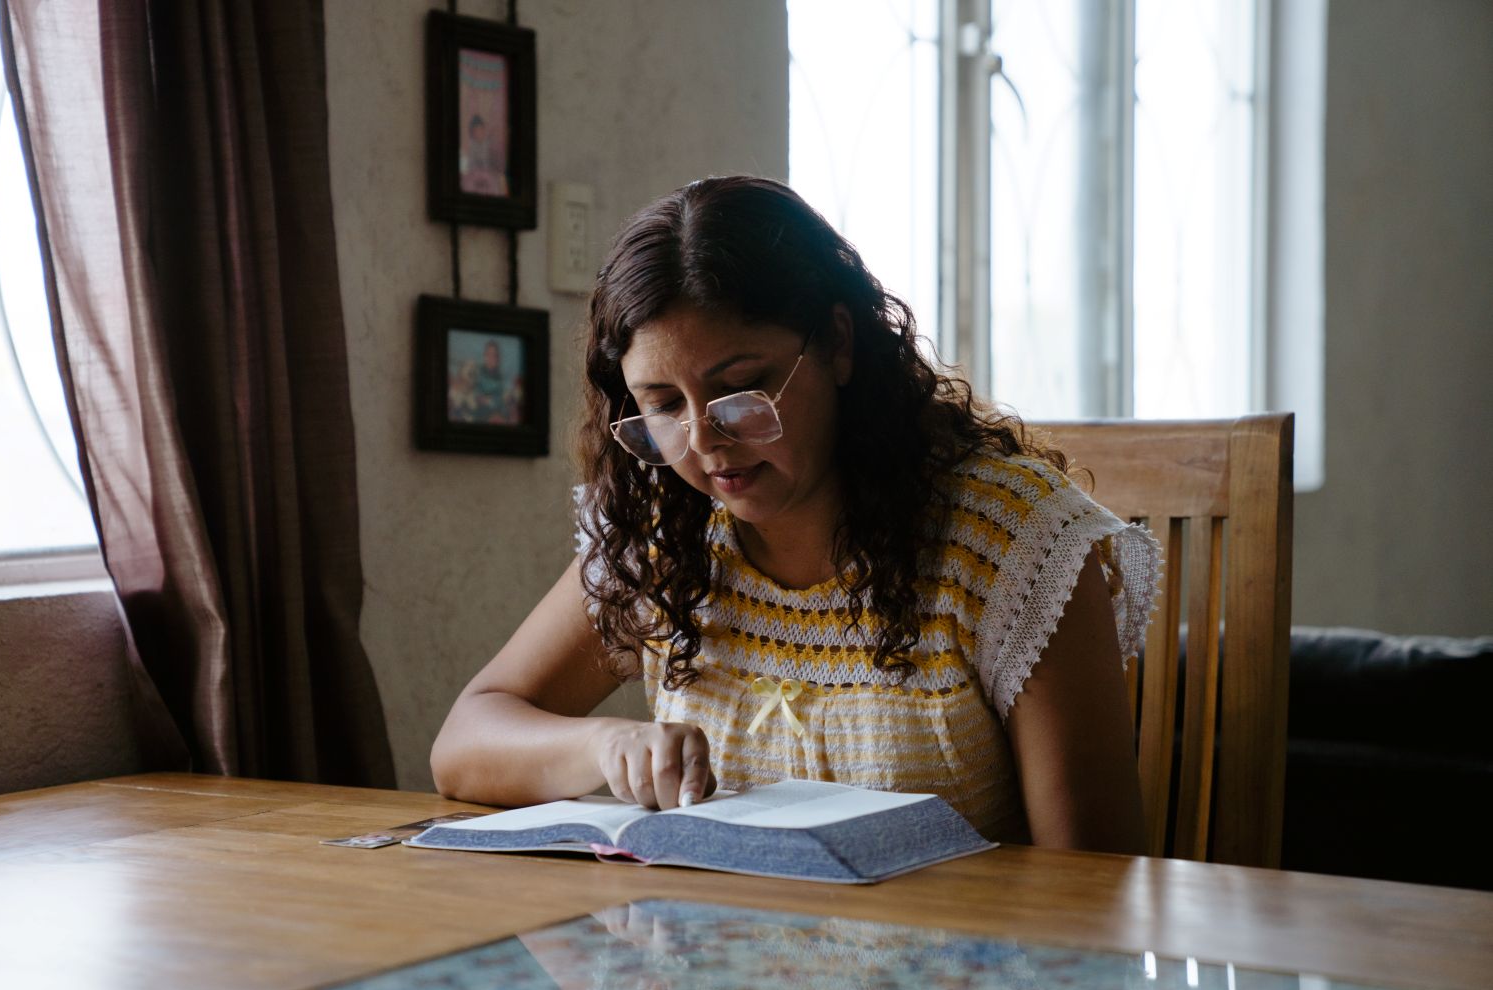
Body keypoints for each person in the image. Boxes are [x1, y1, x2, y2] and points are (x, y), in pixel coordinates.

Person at [431, 176, 1156, 852]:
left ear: (838, 343)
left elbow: (1091, 877)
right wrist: (604, 746)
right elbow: (464, 743)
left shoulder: (1007, 540)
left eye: (740, 390)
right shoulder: (665, 533)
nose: (705, 442)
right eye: (663, 405)